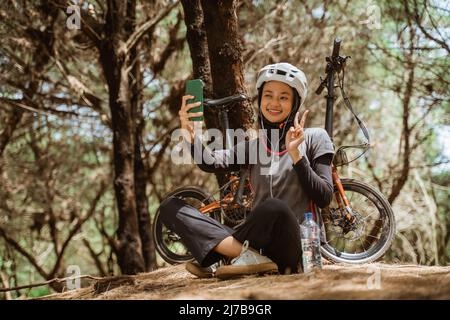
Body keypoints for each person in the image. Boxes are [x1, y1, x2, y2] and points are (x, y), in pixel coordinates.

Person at [160, 62, 334, 279]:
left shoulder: (315, 138)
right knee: (170, 206)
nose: (274, 103)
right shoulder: (254, 146)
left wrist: (297, 156)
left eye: (283, 97)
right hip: (256, 243)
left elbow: (324, 196)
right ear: (260, 99)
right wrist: (191, 136)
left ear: (295, 103)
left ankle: (219, 254)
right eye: (268, 95)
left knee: (274, 208)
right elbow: (210, 162)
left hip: (295, 245)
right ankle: (246, 256)